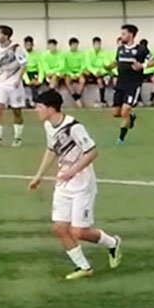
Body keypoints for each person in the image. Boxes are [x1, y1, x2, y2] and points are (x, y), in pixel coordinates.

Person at [26, 88, 123, 280]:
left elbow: (92, 152)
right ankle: (83, 267)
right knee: (59, 228)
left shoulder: (74, 127)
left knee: (79, 231)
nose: (36, 110)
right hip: (64, 183)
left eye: (39, 107)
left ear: (51, 108)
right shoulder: (49, 126)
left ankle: (113, 243)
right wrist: (39, 176)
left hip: (82, 184)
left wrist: (73, 170)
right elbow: (52, 149)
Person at [112, 25, 154, 144]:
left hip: (133, 85)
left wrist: (143, 66)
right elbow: (116, 62)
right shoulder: (120, 49)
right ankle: (131, 117)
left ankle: (120, 139)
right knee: (116, 113)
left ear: (131, 35)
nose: (121, 36)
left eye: (124, 34)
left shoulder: (141, 49)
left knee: (125, 111)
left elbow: (153, 61)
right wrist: (108, 66)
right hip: (120, 84)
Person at [0, 25, 29, 148]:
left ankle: (17, 138)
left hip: (13, 83)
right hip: (0, 82)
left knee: (16, 111)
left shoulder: (16, 48)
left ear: (6, 36)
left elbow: (23, 64)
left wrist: (18, 79)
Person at [87, 36, 115, 105]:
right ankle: (102, 100)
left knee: (102, 80)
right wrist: (95, 72)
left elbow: (106, 63)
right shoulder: (88, 53)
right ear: (93, 44)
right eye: (96, 44)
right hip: (93, 72)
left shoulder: (104, 52)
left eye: (99, 44)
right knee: (99, 80)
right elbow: (88, 65)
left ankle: (103, 101)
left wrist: (103, 72)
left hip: (102, 72)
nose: (98, 46)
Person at [61, 38, 88, 107]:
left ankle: (77, 96)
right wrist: (71, 74)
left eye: (76, 45)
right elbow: (65, 66)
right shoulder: (66, 55)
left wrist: (78, 74)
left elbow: (83, 65)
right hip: (70, 73)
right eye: (73, 45)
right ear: (70, 45)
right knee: (67, 81)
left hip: (79, 72)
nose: (75, 46)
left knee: (82, 80)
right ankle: (76, 99)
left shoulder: (81, 54)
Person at [22, 36, 44, 101]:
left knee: (34, 83)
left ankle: (35, 100)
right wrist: (27, 80)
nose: (28, 46)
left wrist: (39, 80)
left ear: (33, 45)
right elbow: (22, 68)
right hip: (24, 73)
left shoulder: (38, 54)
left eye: (29, 45)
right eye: (26, 45)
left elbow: (41, 68)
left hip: (34, 73)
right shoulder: (21, 54)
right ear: (24, 45)